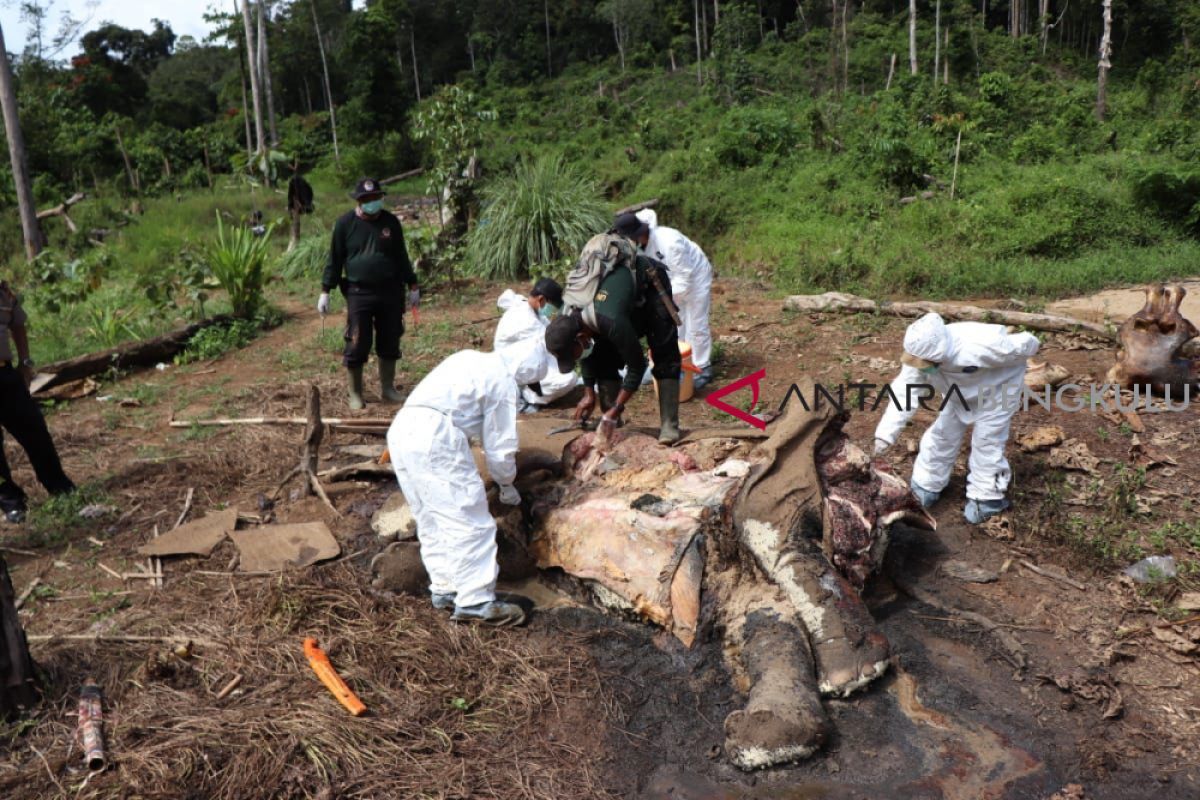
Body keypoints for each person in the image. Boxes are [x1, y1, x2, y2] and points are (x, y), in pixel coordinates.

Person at [386, 338, 548, 626]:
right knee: (470, 521)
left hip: (402, 429)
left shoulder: (470, 358)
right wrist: (507, 486)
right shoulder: (503, 382)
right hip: (434, 435)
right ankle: (475, 601)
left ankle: (446, 588)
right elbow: (500, 448)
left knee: (432, 519)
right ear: (526, 372)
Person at [873, 312, 1040, 524]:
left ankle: (985, 498)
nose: (920, 365)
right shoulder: (919, 355)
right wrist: (884, 437)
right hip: (958, 392)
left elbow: (1028, 343)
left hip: (999, 390)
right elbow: (905, 393)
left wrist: (1028, 347)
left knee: (987, 441)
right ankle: (927, 484)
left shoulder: (983, 346)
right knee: (943, 433)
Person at [544, 214, 682, 444]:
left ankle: (669, 425)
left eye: (574, 354)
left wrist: (617, 406)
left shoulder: (609, 320)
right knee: (602, 354)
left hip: (649, 285)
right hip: (617, 302)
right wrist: (589, 394)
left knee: (664, 351)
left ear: (580, 337)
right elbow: (588, 357)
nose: (577, 358)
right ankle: (611, 423)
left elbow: (638, 366)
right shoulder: (568, 316)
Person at [319, 178, 419, 410]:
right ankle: (355, 393)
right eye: (366, 200)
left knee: (390, 338)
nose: (372, 203)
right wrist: (326, 290)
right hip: (358, 292)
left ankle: (388, 388)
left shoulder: (390, 222)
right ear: (358, 201)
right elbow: (335, 259)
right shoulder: (345, 224)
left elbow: (401, 256)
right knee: (357, 340)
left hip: (390, 291)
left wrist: (413, 285)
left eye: (375, 198)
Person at [0, 282, 75, 524]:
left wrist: (25, 362)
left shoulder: (2, 292)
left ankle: (59, 486)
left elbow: (18, 324)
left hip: (5, 376)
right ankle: (11, 502)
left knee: (35, 431)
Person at [632, 209, 716, 389]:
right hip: (674, 282)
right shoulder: (642, 247)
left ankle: (703, 366)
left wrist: (659, 298)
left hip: (696, 278)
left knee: (697, 325)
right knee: (679, 325)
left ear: (641, 233)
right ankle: (682, 361)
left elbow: (685, 279)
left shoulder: (669, 242)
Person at [494, 278, 579, 411]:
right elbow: (553, 343)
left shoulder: (528, 308)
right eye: (552, 305)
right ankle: (527, 396)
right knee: (568, 379)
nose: (553, 310)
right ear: (541, 300)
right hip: (512, 368)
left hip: (520, 358)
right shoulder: (526, 321)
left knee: (559, 367)